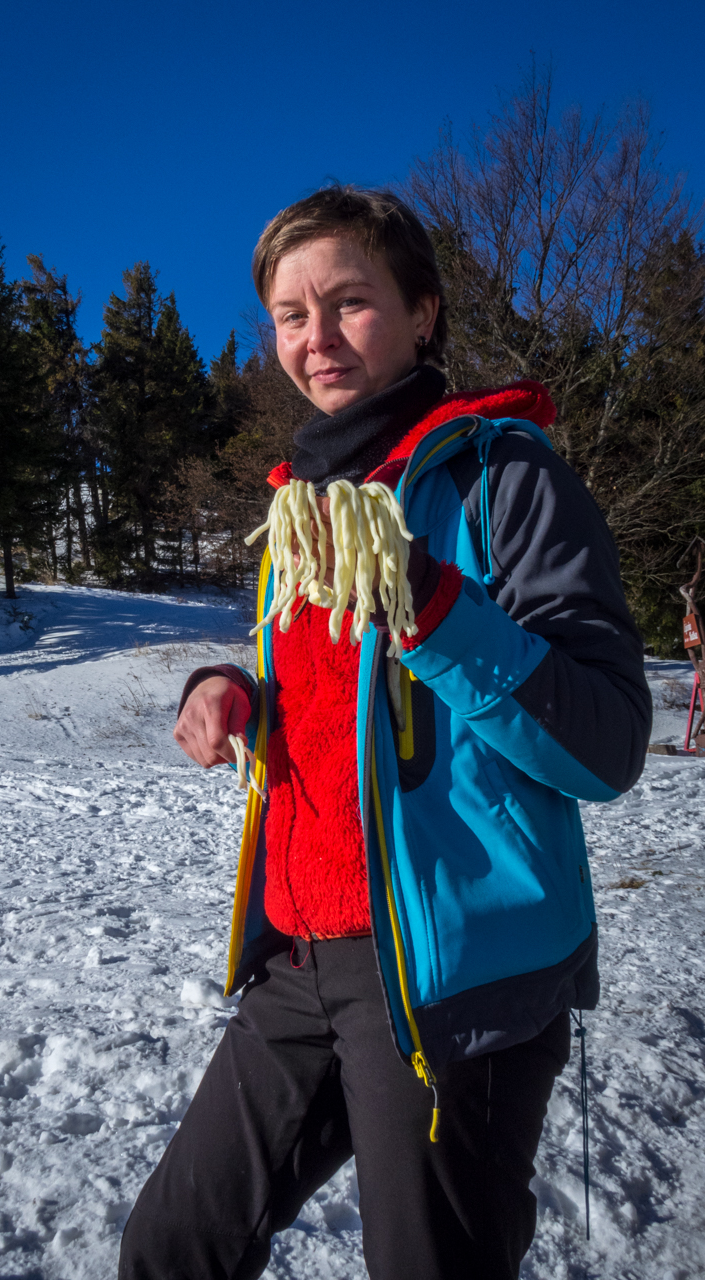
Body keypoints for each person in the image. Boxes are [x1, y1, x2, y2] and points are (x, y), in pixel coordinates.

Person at [118, 185, 651, 1280]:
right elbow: (329, 694)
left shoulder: (503, 477)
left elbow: (605, 742)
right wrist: (230, 686)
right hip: (299, 957)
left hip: (454, 983)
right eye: (287, 314)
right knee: (171, 1243)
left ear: (421, 311)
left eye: (347, 301)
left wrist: (432, 605)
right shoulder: (301, 508)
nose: (314, 338)